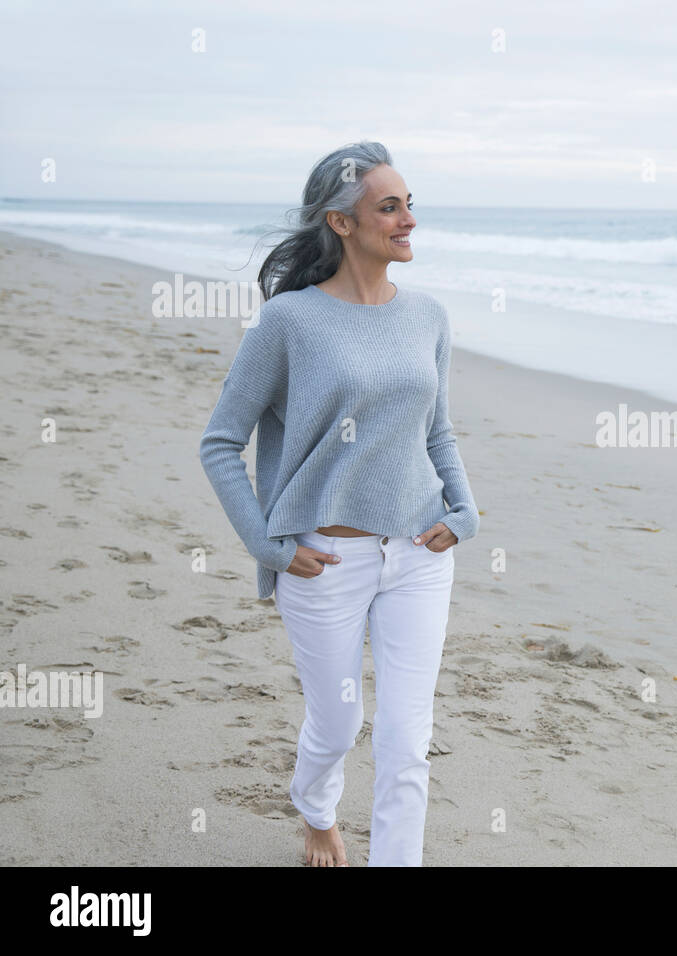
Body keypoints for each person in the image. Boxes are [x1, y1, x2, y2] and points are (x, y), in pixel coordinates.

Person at [198, 141, 479, 866]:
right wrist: (269, 546)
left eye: (411, 203)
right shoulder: (290, 322)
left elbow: (436, 430)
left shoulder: (430, 317)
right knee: (337, 725)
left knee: (406, 742)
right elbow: (220, 443)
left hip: (419, 553)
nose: (409, 219)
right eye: (390, 207)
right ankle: (317, 812)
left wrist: (463, 509)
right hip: (323, 560)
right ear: (342, 223)